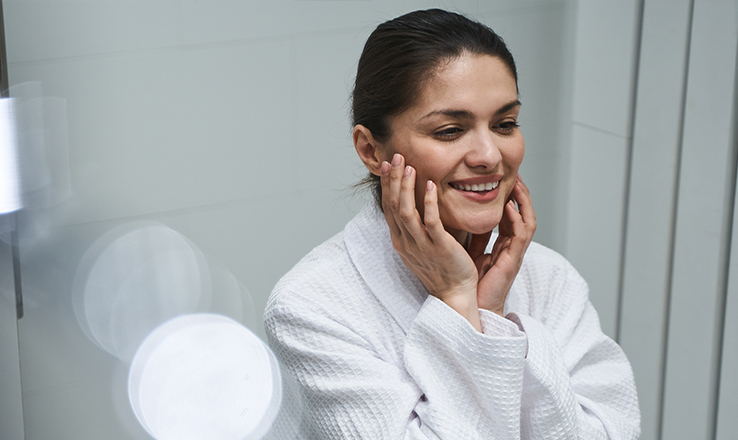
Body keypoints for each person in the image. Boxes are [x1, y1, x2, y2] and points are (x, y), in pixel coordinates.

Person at [264, 9, 640, 439]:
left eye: (505, 124)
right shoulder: (312, 308)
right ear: (371, 149)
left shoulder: (550, 278)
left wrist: (489, 314)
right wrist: (460, 306)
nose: (490, 155)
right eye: (449, 131)